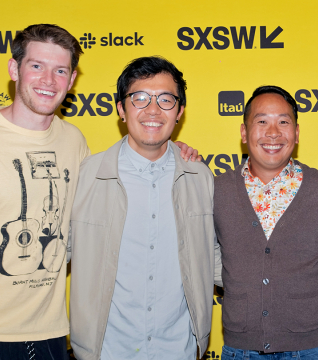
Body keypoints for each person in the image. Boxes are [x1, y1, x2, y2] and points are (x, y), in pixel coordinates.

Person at [0, 25, 198, 360]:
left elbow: (107, 210)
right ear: (14, 68)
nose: (48, 80)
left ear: (72, 78)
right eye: (37, 66)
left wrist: (172, 151)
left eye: (60, 70)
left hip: (51, 336)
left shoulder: (74, 142)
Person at [68, 56, 221, 360]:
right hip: (106, 351)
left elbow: (213, 255)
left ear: (179, 112)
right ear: (121, 109)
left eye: (166, 100)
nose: (153, 110)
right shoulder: (85, 175)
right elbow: (56, 251)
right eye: (139, 98)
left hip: (179, 349)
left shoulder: (200, 178)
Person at [214, 86, 318, 360]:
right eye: (262, 122)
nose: (273, 132)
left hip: (313, 349)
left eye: (283, 122)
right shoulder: (216, 190)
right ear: (244, 132)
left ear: (296, 132)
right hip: (241, 349)